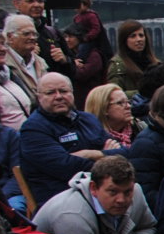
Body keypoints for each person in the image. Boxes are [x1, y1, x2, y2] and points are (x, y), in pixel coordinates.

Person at [19, 72, 107, 205]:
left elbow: (122, 151)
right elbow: (66, 167)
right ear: (39, 98)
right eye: (50, 93)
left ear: (72, 93)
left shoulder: (88, 119)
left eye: (63, 91)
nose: (59, 96)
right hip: (62, 199)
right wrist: (107, 160)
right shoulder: (33, 129)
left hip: (101, 190)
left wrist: (91, 154)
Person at [106, 21, 156, 94]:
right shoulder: (118, 66)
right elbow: (114, 94)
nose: (139, 39)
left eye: (141, 35)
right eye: (133, 36)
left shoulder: (154, 63)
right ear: (124, 40)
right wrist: (144, 93)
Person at [86, 84, 138, 151]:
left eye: (128, 102)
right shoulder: (90, 139)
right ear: (104, 109)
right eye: (120, 103)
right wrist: (105, 155)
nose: (128, 106)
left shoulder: (138, 128)